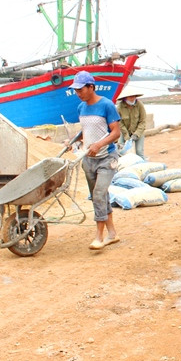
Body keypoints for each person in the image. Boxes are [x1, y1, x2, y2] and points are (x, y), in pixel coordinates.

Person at [69, 71, 121, 251]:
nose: (78, 93)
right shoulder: (80, 108)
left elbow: (116, 132)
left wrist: (99, 144)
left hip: (107, 158)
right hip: (88, 160)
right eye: (75, 90)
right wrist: (76, 141)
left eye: (80, 89)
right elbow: (86, 131)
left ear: (91, 87)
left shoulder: (107, 105)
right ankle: (112, 233)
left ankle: (99, 236)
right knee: (99, 197)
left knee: (99, 194)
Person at [115, 81, 147, 160]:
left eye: (134, 96)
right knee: (120, 150)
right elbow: (120, 123)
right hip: (124, 131)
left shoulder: (140, 105)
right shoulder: (119, 108)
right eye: (130, 97)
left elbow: (143, 121)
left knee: (139, 152)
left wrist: (136, 134)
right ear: (125, 97)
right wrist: (126, 136)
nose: (132, 98)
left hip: (138, 131)